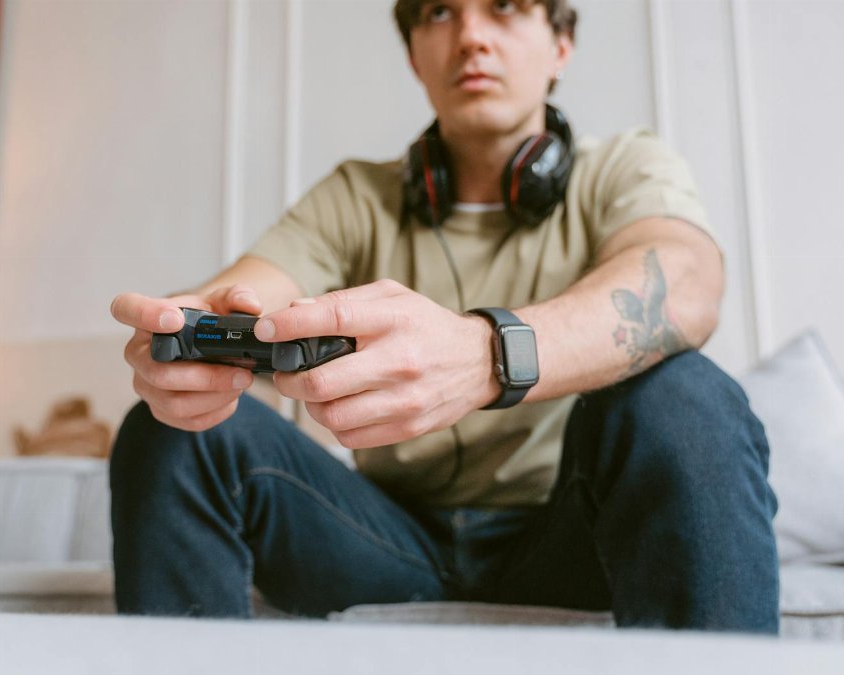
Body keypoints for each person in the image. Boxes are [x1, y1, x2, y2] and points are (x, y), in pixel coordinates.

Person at [108, 0, 779, 633]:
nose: (471, 36)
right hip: (386, 540)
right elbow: (242, 291)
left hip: (574, 533)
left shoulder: (623, 167)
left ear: (561, 45)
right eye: (439, 11)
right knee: (171, 429)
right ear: (414, 57)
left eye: (506, 8)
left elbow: (687, 282)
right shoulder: (356, 196)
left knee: (682, 392)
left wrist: (487, 353)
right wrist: (189, 334)